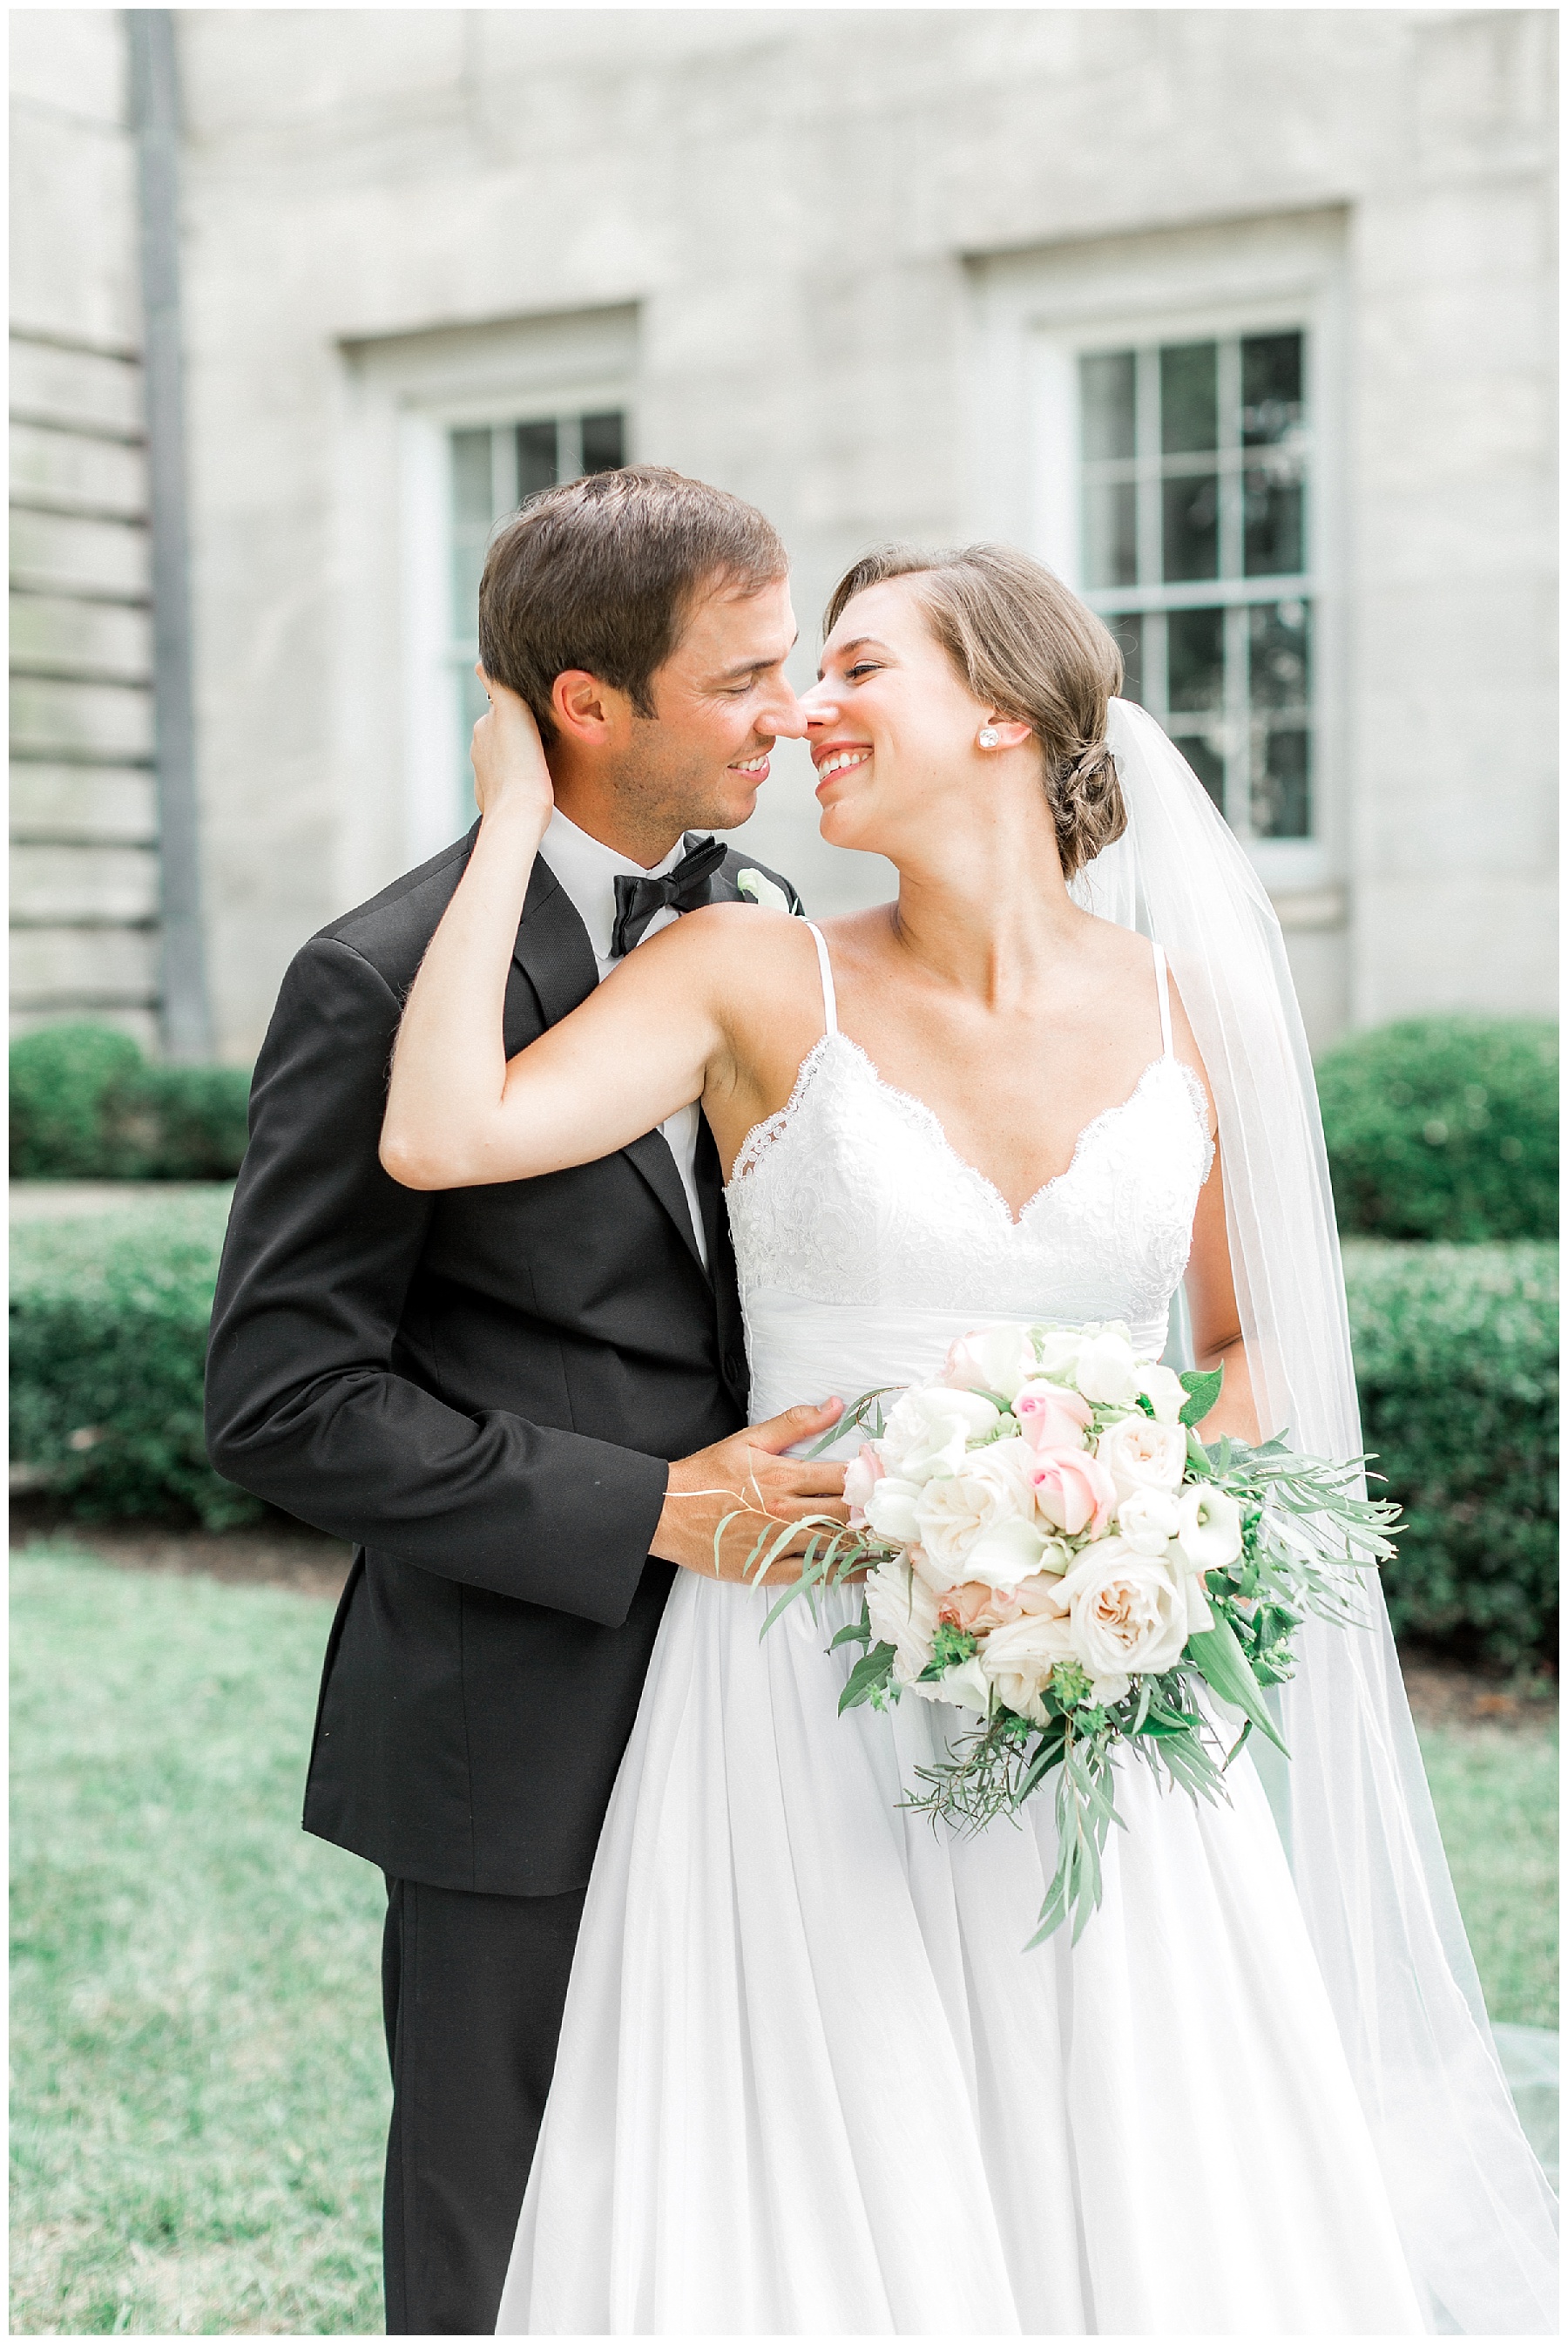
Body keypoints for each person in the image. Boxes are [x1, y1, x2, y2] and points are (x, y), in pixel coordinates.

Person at [380, 538, 1557, 2334]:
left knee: (1136, 2171)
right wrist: (507, 821)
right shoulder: (743, 970)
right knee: (822, 2189)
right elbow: (444, 1132)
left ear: (1004, 712)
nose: (808, 710)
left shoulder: (1197, 1006)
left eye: (861, 668)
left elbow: (1248, 1349)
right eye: (806, 674)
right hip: (798, 1679)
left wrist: (1120, 1516)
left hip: (1099, 1683)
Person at [203, 466, 854, 2336]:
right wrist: (650, 1508)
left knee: (746, 2205)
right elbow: (282, 1396)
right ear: (586, 704)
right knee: (499, 2233)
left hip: (780, 1700)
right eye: (741, 678)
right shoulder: (377, 976)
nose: (791, 710)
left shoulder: (770, 916)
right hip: (518, 1721)